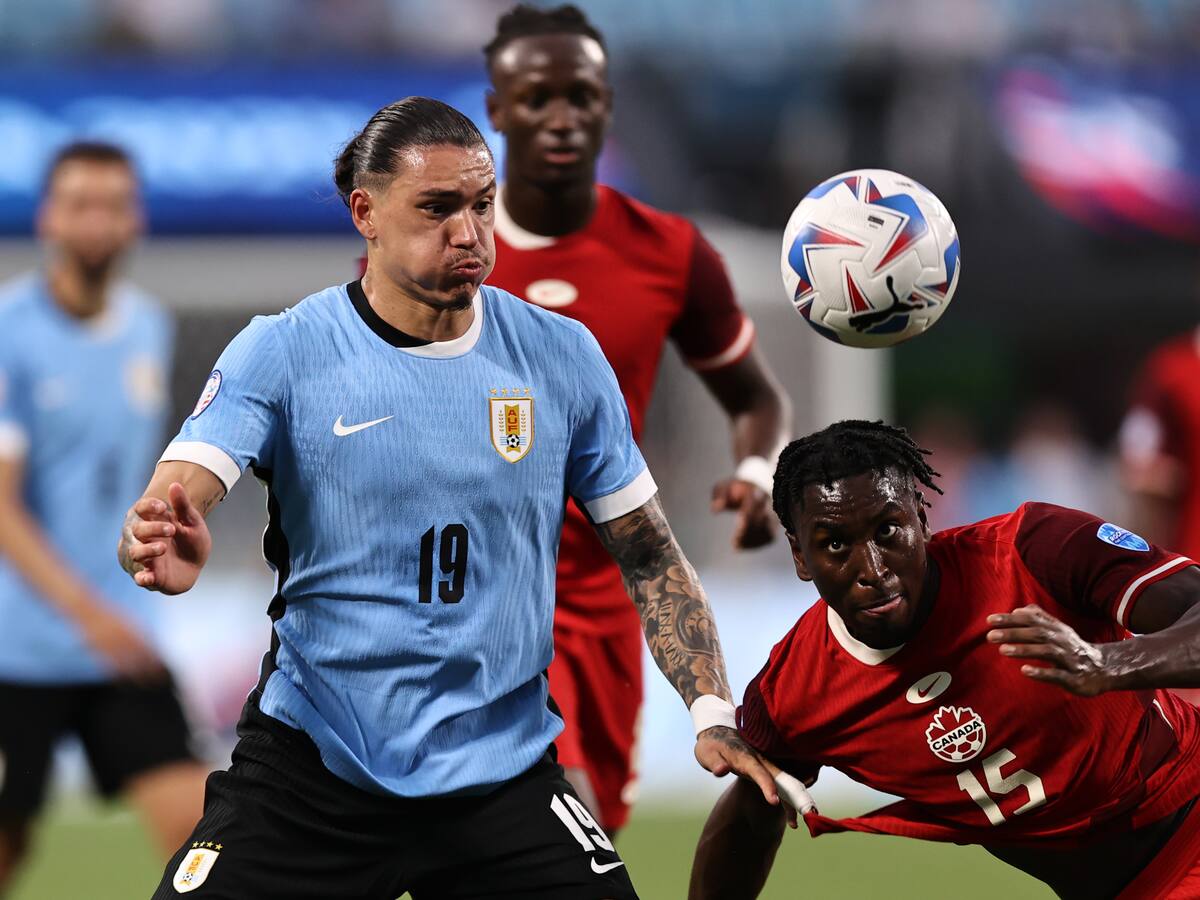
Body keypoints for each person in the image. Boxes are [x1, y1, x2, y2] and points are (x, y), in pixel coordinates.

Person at [119, 97, 779, 900]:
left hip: (500, 779)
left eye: (481, 205)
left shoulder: (561, 357)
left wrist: (711, 706)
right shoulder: (285, 350)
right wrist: (159, 545)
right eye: (437, 208)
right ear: (365, 212)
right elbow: (173, 500)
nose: (468, 233)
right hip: (314, 771)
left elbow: (648, 555)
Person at [481, 3, 792, 836]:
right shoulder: (439, 252)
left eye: (580, 95)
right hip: (482, 593)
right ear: (497, 110)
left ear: (607, 105)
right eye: (537, 96)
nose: (561, 115)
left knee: (584, 843)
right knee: (547, 827)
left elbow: (756, 399)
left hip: (613, 590)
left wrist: (758, 473)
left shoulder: (668, 251)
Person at [689, 420, 1200, 899]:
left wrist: (1105, 664)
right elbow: (754, 811)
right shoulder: (795, 694)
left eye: (888, 531)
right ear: (801, 557)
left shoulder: (1032, 551)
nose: (873, 570)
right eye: (836, 544)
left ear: (922, 516)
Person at [0, 142, 207, 889]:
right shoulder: (9, 330)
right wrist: (90, 615)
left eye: (113, 204)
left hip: (123, 643)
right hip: (17, 648)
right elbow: (2, 505)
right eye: (80, 203)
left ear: (135, 219)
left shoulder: (148, 327)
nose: (97, 221)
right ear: (50, 217)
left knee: (200, 838)